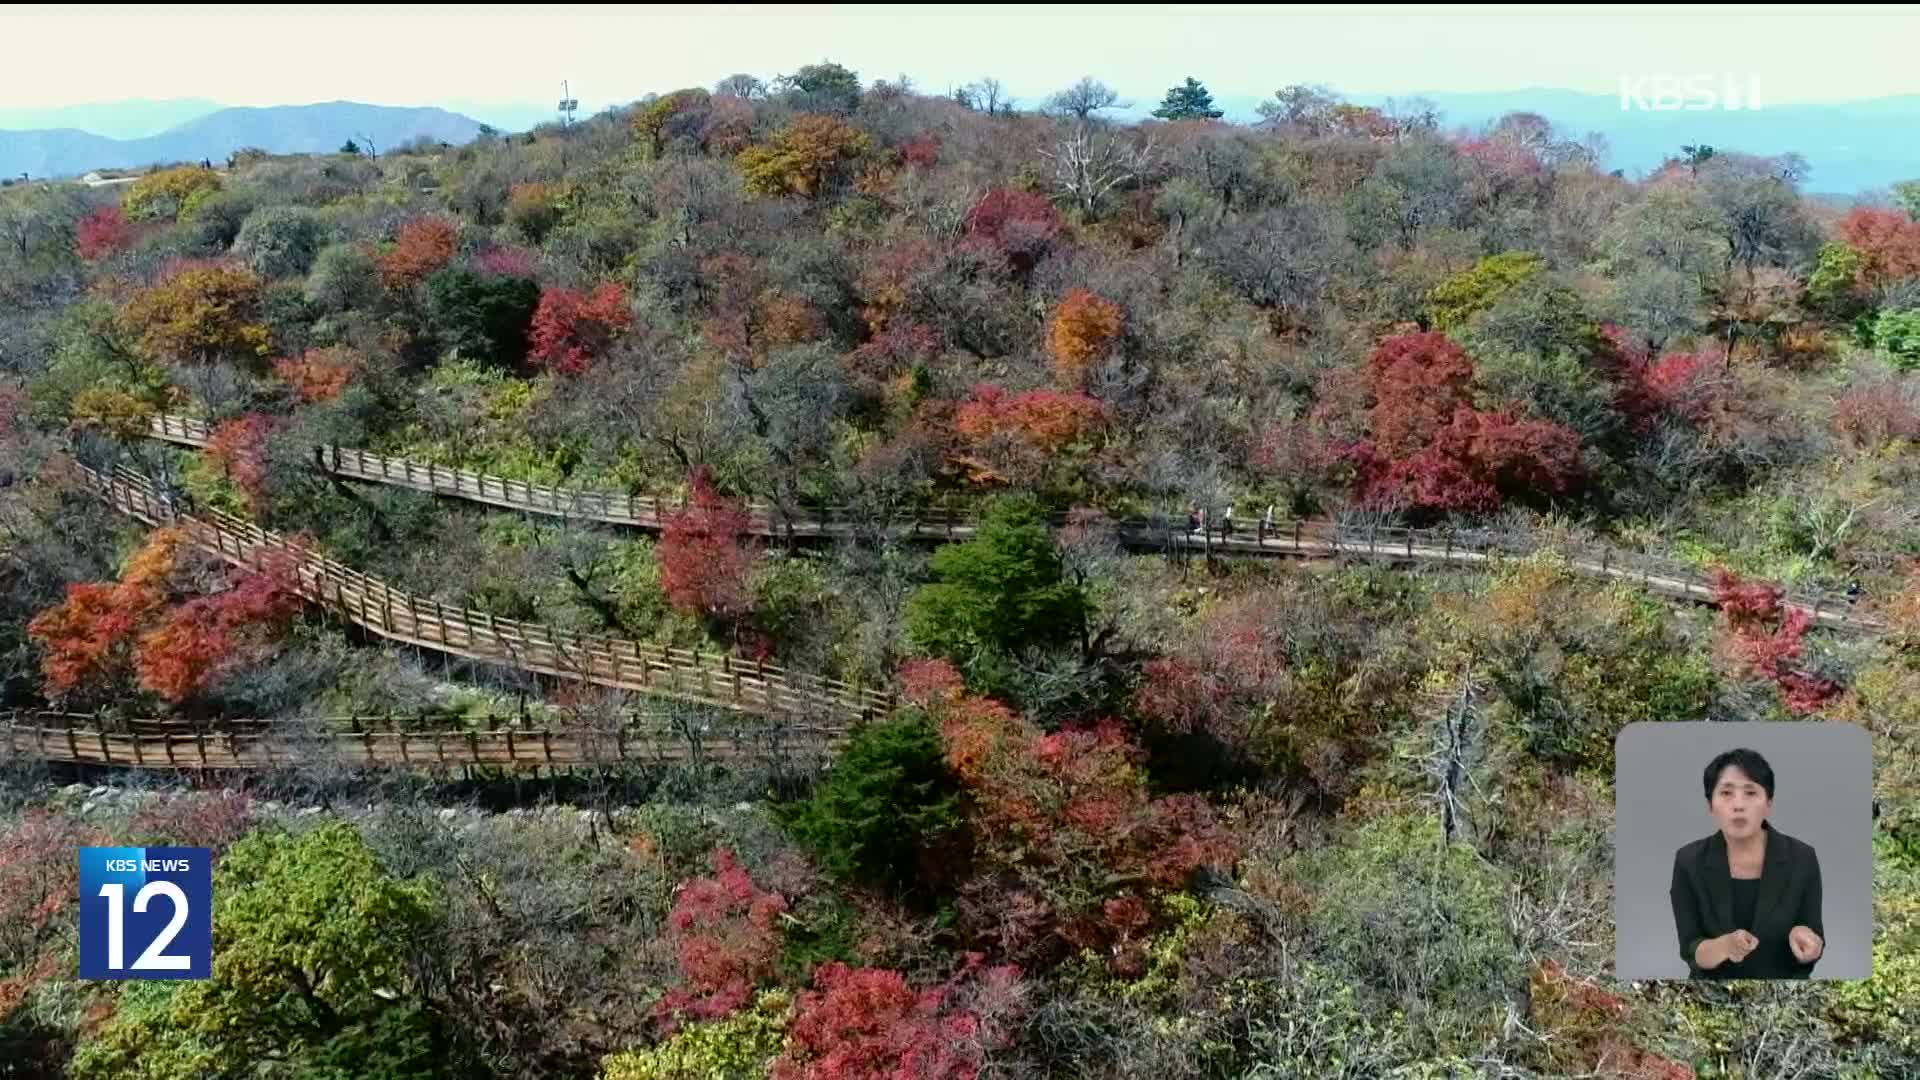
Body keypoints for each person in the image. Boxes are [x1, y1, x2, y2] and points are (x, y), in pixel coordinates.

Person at [1670, 748, 1824, 979]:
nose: (1738, 805)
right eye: (1726, 793)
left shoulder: (1802, 857)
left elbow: (1816, 938)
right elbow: (1691, 948)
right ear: (1710, 805)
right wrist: (1725, 946)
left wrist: (1809, 943)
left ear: (1768, 803)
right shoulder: (1689, 861)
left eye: (1751, 793)